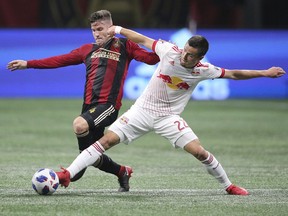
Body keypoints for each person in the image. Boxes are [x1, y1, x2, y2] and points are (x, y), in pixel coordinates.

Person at [55, 26, 285, 195]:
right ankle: (67, 174)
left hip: (168, 117)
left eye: (190, 54)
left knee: (200, 152)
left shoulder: (204, 70)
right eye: (184, 50)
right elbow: (143, 39)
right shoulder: (169, 51)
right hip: (141, 111)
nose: (184, 55)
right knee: (105, 142)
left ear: (200, 57)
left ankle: (229, 186)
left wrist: (265, 73)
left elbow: (234, 73)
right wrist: (118, 28)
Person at [6, 10, 159, 192]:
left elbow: (151, 59)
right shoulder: (87, 50)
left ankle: (72, 173)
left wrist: (163, 49)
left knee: (79, 125)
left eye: (100, 29)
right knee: (91, 155)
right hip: (89, 106)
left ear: (111, 28)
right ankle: (121, 171)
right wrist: (28, 63)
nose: (96, 33)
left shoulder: (125, 46)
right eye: (93, 30)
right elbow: (59, 60)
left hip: (108, 106)